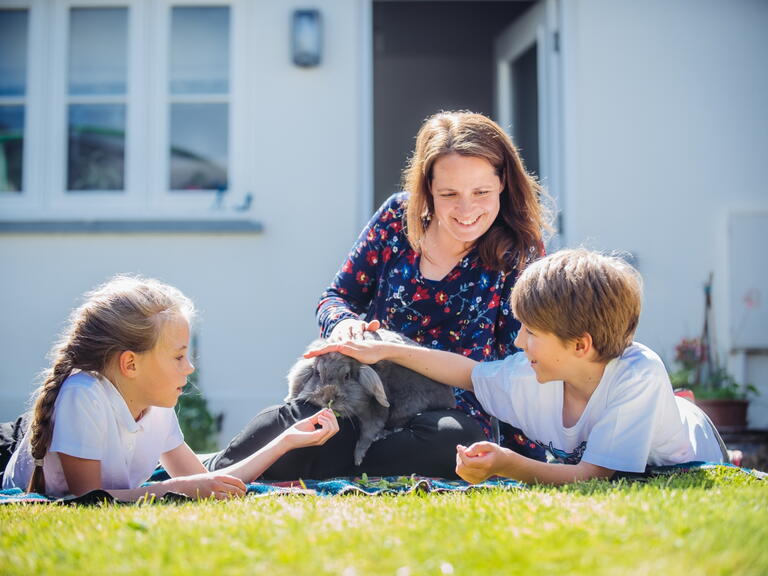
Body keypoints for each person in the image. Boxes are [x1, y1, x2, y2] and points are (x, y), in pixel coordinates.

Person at [208, 110, 551, 479]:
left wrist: (520, 458)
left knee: (455, 442)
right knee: (309, 420)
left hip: (448, 417)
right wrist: (343, 325)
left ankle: (319, 461)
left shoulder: (520, 253)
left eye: (481, 192)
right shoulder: (396, 217)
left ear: (503, 183)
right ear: (427, 189)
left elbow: (515, 369)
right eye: (449, 194)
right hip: (367, 400)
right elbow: (336, 296)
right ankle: (218, 468)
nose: (467, 210)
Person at [305, 249, 727, 485]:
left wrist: (507, 464)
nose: (519, 341)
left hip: (694, 447)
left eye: (531, 333)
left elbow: (591, 476)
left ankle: (700, 423)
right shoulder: (533, 378)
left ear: (580, 345)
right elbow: (467, 372)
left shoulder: (638, 373)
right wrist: (387, 351)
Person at [2, 276, 339, 500]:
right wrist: (169, 489)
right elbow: (88, 499)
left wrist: (286, 440)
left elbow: (207, 480)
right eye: (178, 357)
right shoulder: (83, 396)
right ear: (130, 364)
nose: (190, 368)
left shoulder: (156, 406)